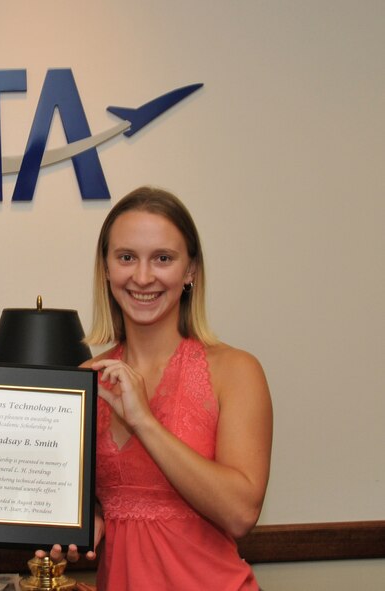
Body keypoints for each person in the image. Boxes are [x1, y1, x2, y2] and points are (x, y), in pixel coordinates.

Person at [42, 186, 273, 590]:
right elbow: (78, 495)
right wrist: (86, 518)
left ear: (190, 271)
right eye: (126, 257)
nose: (143, 276)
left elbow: (240, 513)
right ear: (106, 268)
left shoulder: (235, 371)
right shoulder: (86, 379)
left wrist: (144, 421)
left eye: (162, 258)